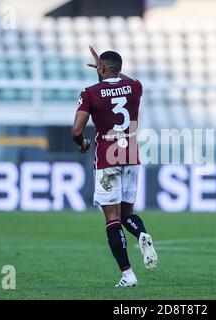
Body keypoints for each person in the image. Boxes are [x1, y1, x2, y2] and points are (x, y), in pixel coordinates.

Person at [72, 46, 157, 287]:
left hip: (107, 157)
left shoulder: (90, 93)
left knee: (112, 218)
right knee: (127, 214)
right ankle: (142, 234)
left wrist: (83, 143)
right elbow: (125, 80)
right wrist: (110, 70)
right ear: (119, 69)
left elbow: (76, 131)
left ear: (101, 68)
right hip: (130, 155)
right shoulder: (135, 87)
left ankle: (127, 274)